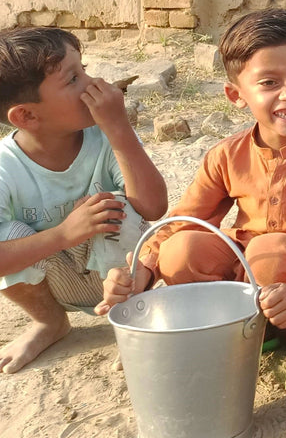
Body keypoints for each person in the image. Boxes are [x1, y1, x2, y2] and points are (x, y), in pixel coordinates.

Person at [96, 9, 286, 394]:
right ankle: (256, 326)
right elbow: (185, 219)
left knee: (270, 252)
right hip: (253, 269)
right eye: (269, 82)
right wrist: (141, 272)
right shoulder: (224, 155)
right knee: (180, 250)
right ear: (236, 95)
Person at [0, 28, 167, 374]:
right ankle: (50, 323)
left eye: (84, 68)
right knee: (8, 236)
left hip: (121, 277)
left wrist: (119, 128)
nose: (94, 83)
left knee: (115, 204)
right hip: (54, 278)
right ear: (27, 116)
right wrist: (64, 234)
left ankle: (129, 321)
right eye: (74, 78)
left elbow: (154, 207)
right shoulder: (5, 167)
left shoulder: (106, 132)